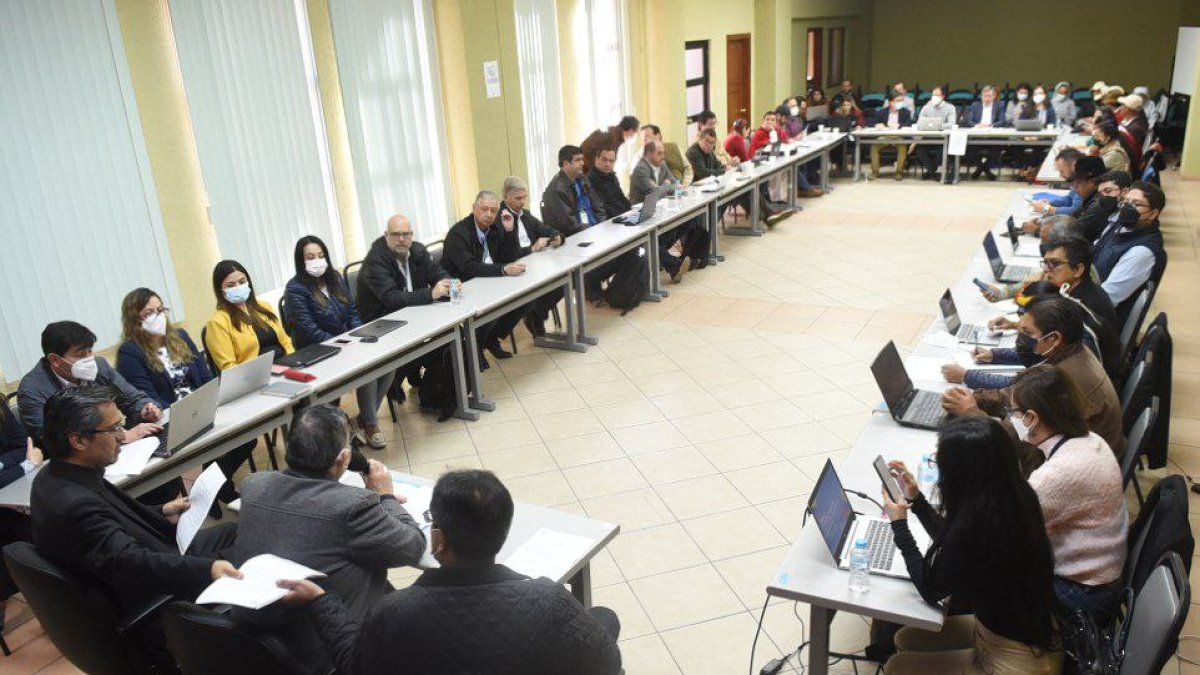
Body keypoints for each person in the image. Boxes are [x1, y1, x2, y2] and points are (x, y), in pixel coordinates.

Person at [277, 469, 623, 675]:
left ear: (438, 540)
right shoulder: (546, 600)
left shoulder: (395, 612)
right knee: (604, 617)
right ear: (502, 532)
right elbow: (608, 663)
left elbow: (354, 666)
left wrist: (321, 601)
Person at [30, 386, 240, 665]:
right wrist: (209, 569)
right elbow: (132, 564)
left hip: (147, 561)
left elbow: (110, 523)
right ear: (78, 440)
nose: (122, 436)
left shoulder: (58, 475)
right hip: (154, 599)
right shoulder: (74, 505)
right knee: (249, 550)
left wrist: (161, 511)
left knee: (236, 530)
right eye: (113, 428)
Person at [881, 416, 1062, 675]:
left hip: (1015, 661)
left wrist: (899, 525)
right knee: (905, 638)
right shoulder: (1014, 495)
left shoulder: (975, 522)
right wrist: (917, 500)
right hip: (1026, 634)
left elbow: (931, 587)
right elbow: (957, 543)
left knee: (897, 667)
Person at [234, 405, 425, 624]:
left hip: (263, 637)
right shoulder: (353, 506)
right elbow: (413, 546)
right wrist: (385, 497)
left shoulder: (253, 485)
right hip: (333, 642)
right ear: (344, 458)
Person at [941, 296, 1125, 467]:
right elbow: (1019, 393)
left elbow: (1016, 438)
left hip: (1076, 471)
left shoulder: (1063, 380)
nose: (1020, 340)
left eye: (1027, 333)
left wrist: (971, 413)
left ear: (1053, 338)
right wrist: (976, 398)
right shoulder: (1072, 352)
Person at [1009, 366, 1128, 623]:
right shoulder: (1090, 439)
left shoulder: (1060, 473)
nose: (1011, 419)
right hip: (1100, 574)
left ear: (1031, 418)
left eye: (1014, 413)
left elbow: (1007, 532)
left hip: (1081, 594)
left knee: (987, 573)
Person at [117, 287, 255, 505]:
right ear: (134, 319)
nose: (158, 316)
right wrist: (186, 411)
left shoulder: (179, 336)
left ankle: (212, 486)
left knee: (247, 435)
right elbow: (149, 399)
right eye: (149, 313)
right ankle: (215, 490)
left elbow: (204, 375)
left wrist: (208, 401)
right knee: (213, 441)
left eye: (160, 309)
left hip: (201, 408)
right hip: (170, 420)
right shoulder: (129, 353)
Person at [285, 236, 394, 449]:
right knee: (366, 369)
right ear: (301, 261)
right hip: (318, 351)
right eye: (310, 257)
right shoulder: (295, 289)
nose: (317, 260)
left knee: (389, 365)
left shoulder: (334, 278)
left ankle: (362, 419)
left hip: (346, 342)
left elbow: (352, 311)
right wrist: (340, 344)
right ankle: (371, 424)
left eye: (320, 255)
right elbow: (309, 330)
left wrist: (358, 335)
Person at [18, 320, 163, 446]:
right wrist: (120, 436)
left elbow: (133, 398)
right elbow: (55, 439)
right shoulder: (32, 390)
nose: (89, 359)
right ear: (55, 360)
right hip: (70, 465)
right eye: (80, 354)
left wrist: (145, 410)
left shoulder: (99, 367)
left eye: (90, 351)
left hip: (111, 448)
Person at [444, 190, 528, 365]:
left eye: (493, 210)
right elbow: (468, 268)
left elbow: (511, 256)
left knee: (524, 298)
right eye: (484, 209)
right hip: (456, 285)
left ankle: (491, 339)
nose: (489, 215)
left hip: (484, 279)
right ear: (474, 208)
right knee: (489, 307)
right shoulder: (458, 234)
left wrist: (510, 231)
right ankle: (474, 348)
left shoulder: (495, 227)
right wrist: (503, 270)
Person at [630, 140, 707, 281]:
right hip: (642, 216)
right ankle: (674, 265)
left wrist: (665, 186)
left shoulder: (662, 165)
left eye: (663, 152)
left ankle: (673, 260)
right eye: (659, 153)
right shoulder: (640, 169)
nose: (663, 156)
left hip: (660, 211)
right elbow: (654, 192)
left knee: (690, 220)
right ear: (648, 154)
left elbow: (675, 184)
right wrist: (666, 186)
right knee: (653, 239)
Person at [500, 176, 564, 337]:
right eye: (518, 198)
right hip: (514, 267)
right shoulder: (500, 219)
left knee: (563, 279)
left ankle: (537, 314)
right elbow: (507, 254)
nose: (522, 202)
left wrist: (557, 236)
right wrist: (532, 248)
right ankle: (534, 315)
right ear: (506, 197)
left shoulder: (525, 215)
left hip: (534, 261)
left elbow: (545, 229)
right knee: (549, 282)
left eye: (524, 197)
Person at [1093, 182, 1167, 319]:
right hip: (1089, 291)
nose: (1126, 207)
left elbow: (1105, 300)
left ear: (1153, 214)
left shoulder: (1142, 252)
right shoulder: (1118, 225)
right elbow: (1094, 249)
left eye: (1136, 204)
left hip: (1100, 320)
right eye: (1125, 201)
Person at [204, 259, 294, 372]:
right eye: (231, 285)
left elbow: (285, 341)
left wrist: (294, 362)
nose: (238, 287)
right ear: (221, 290)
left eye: (242, 282)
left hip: (287, 366)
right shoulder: (217, 323)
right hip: (256, 377)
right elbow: (229, 367)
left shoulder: (264, 306)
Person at [0, 403, 40, 628]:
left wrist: (2, 463)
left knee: (40, 522)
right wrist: (27, 465)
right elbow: (28, 455)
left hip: (11, 497)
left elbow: (21, 444)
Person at [542, 144, 607, 238]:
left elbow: (598, 206)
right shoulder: (557, 189)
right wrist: (593, 232)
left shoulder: (582, 178)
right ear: (565, 164)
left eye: (582, 159)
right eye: (577, 160)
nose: (582, 163)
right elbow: (569, 225)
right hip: (578, 237)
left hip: (595, 230)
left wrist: (602, 225)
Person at [964, 85, 1007, 180]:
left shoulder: (999, 105)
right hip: (977, 136)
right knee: (969, 148)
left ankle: (980, 169)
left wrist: (990, 125)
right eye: (985, 96)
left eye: (989, 96)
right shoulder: (975, 105)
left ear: (994, 96)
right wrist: (977, 125)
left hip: (993, 136)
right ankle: (985, 170)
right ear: (981, 96)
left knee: (998, 148)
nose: (987, 98)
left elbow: (1002, 121)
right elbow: (968, 121)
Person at [915, 86, 956, 180]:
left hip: (942, 138)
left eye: (937, 95)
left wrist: (939, 126)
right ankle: (933, 173)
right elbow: (919, 123)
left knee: (941, 151)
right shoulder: (926, 107)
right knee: (920, 150)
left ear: (943, 96)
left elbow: (952, 123)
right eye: (933, 95)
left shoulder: (950, 108)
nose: (934, 97)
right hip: (928, 137)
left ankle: (930, 172)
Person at [869, 91, 912, 181]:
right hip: (884, 136)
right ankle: (875, 172)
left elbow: (909, 124)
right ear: (890, 102)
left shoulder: (906, 112)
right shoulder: (882, 112)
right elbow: (871, 122)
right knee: (874, 146)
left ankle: (898, 172)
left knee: (903, 146)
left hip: (898, 137)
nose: (900, 103)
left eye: (901, 101)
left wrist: (899, 125)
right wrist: (877, 125)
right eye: (897, 101)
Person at [1029, 147, 1084, 216]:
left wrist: (1048, 209)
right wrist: (1051, 203)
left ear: (1074, 166)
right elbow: (1070, 199)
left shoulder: (1084, 182)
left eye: (1062, 171)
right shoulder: (1076, 179)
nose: (1061, 176)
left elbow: (1076, 210)